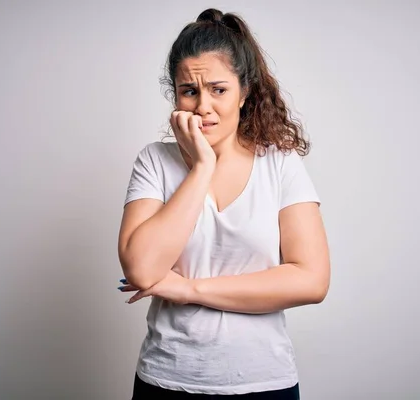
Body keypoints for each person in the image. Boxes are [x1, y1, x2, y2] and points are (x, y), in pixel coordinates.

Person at [117, 8, 330, 400]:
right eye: (189, 91)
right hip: (166, 381)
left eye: (218, 89)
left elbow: (312, 280)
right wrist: (201, 168)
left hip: (264, 383)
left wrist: (189, 289)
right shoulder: (155, 160)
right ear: (176, 94)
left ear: (244, 92)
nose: (203, 106)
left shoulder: (279, 164)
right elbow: (143, 269)